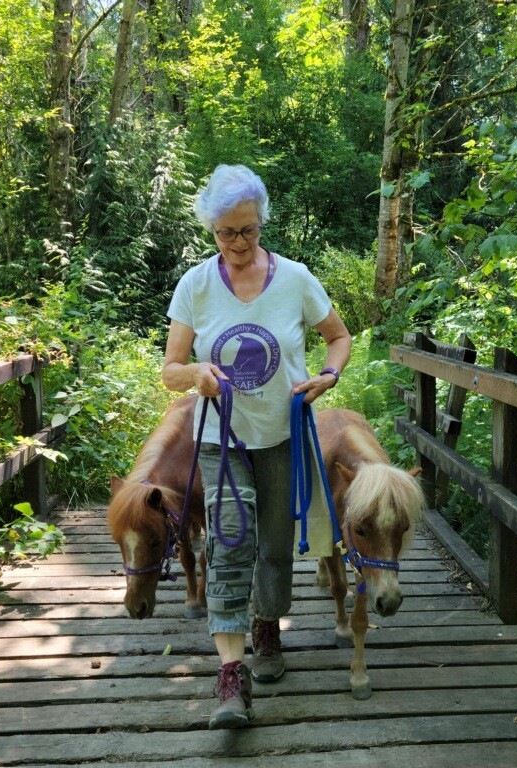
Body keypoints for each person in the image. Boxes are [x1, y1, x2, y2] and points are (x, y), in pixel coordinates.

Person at [162, 164, 352, 729]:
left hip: (282, 437)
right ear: (211, 231)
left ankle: (267, 624)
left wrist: (327, 375)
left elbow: (338, 336)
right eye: (226, 233)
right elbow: (170, 369)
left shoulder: (295, 278)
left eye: (247, 230)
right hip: (221, 438)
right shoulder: (195, 285)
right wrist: (196, 371)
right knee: (228, 538)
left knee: (273, 547)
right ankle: (230, 673)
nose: (238, 243)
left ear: (262, 222)